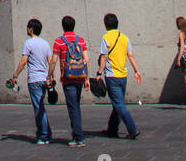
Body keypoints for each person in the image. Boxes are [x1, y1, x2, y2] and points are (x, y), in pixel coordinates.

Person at [97, 12, 143, 140]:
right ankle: (112, 129)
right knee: (117, 103)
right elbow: (131, 55)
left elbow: (104, 57)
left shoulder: (105, 38)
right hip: (123, 75)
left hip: (112, 76)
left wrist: (99, 73)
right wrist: (137, 71)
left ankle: (132, 129)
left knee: (119, 104)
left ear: (106, 25)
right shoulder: (125, 37)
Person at [8, 17, 53, 144]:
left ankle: (44, 136)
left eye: (28, 27)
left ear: (31, 29)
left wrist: (15, 75)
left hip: (34, 80)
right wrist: (51, 77)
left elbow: (23, 61)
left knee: (39, 108)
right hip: (44, 79)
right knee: (40, 107)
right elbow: (51, 62)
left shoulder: (28, 43)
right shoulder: (45, 43)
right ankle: (44, 133)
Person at [50, 15, 91, 147]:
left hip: (67, 78)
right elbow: (86, 60)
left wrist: (49, 75)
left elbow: (54, 60)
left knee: (73, 107)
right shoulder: (81, 40)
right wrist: (87, 78)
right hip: (79, 76)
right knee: (76, 105)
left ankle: (79, 138)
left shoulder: (59, 41)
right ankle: (76, 135)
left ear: (63, 26)